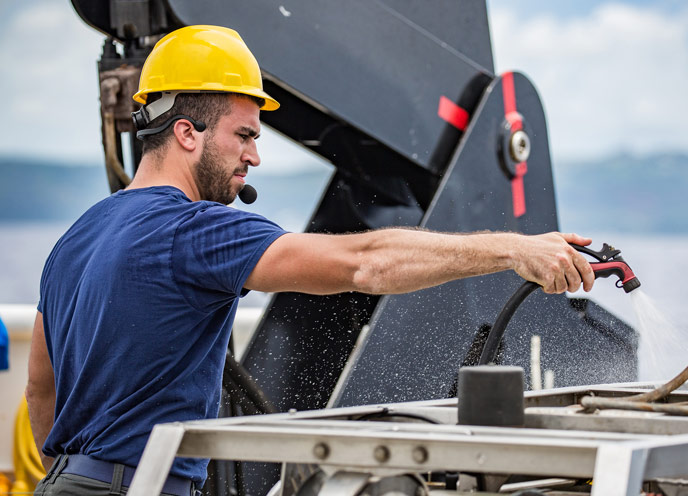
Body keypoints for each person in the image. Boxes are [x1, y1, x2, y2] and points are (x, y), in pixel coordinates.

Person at [26, 25, 595, 496]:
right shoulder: (195, 231)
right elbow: (363, 265)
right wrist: (513, 248)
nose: (254, 154)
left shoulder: (75, 239)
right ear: (187, 133)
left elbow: (41, 392)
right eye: (244, 134)